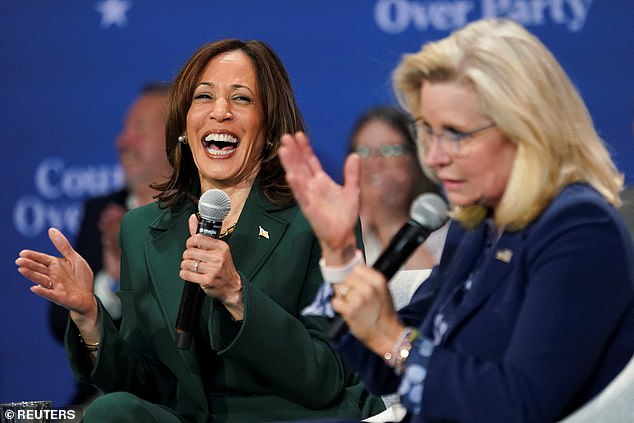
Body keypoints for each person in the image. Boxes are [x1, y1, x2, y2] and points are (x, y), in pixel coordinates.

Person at [279, 18, 634, 422]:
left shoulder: (580, 230)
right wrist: (341, 252)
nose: (434, 157)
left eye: (457, 134)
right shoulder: (478, 224)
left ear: (526, 129)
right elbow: (382, 371)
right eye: (429, 131)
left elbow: (518, 406)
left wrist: (394, 340)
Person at [16, 39, 384, 423]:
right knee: (111, 411)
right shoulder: (143, 229)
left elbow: (328, 376)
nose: (220, 112)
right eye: (203, 97)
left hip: (291, 415)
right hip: (192, 418)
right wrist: (90, 316)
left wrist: (237, 296)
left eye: (241, 99)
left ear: (270, 128)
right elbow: (146, 384)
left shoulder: (312, 221)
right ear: (184, 124)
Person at [47, 82, 172, 406]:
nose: (122, 140)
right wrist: (110, 284)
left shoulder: (205, 216)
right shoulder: (100, 212)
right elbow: (59, 322)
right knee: (17, 415)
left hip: (176, 401)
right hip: (99, 399)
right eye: (124, 129)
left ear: (176, 140)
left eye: (139, 129)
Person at [348, 106, 447, 309]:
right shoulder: (342, 234)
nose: (375, 162)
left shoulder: (449, 233)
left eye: (389, 150)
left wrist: (392, 223)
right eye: (364, 151)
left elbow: (435, 302)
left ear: (417, 160)